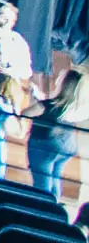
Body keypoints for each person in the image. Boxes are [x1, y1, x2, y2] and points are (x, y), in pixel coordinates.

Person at [26, 66, 85, 201]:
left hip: (45, 146)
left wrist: (35, 99)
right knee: (55, 177)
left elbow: (25, 113)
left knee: (42, 184)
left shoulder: (47, 105)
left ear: (63, 84)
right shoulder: (73, 106)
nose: (57, 80)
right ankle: (55, 205)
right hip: (67, 145)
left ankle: (43, 208)